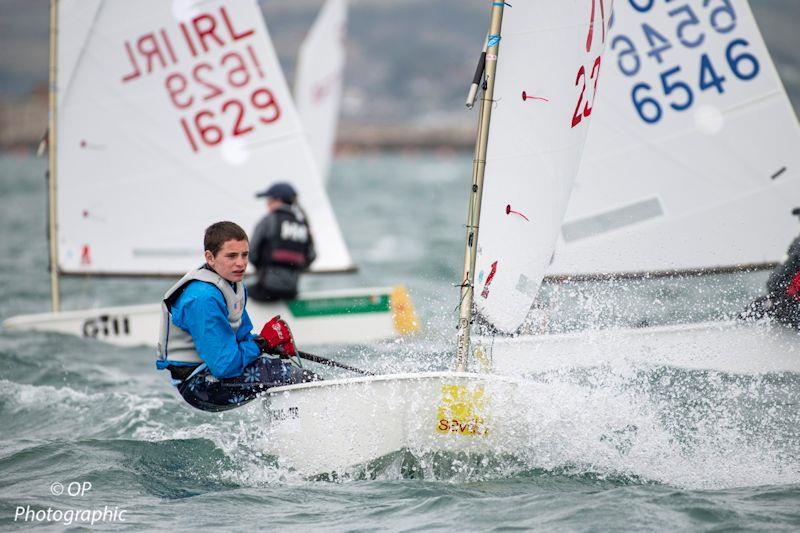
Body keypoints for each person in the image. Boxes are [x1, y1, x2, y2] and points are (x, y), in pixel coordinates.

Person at [156, 221, 318, 412]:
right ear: (210, 257)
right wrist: (262, 344)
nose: (241, 263)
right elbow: (224, 366)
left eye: (244, 255)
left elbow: (242, 337)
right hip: (198, 384)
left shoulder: (232, 284)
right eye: (231, 256)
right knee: (294, 378)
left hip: (213, 371)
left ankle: (286, 431)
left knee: (285, 370)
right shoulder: (202, 299)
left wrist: (270, 345)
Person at [248, 182, 316, 302]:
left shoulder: (268, 220)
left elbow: (251, 252)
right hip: (291, 291)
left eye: (269, 200)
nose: (267, 203)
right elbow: (311, 256)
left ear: (278, 200)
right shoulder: (302, 224)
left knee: (235, 293)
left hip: (266, 290)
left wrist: (261, 270)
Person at [739, 208, 800, 329]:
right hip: (790, 300)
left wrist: (776, 296)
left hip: (791, 304)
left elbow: (777, 282)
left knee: (763, 306)